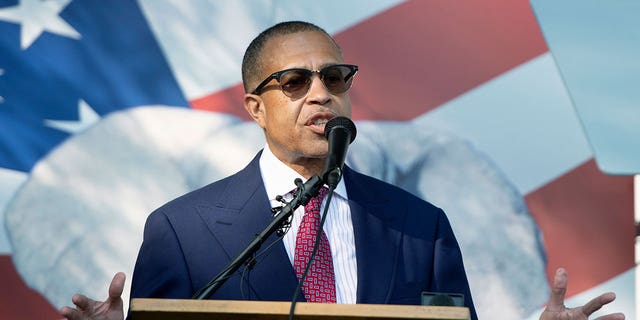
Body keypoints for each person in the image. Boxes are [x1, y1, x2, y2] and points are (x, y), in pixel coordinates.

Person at [60, 21, 624, 320]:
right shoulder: (180, 230)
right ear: (255, 106)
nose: (321, 95)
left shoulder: (419, 225)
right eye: (295, 83)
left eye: (335, 78)